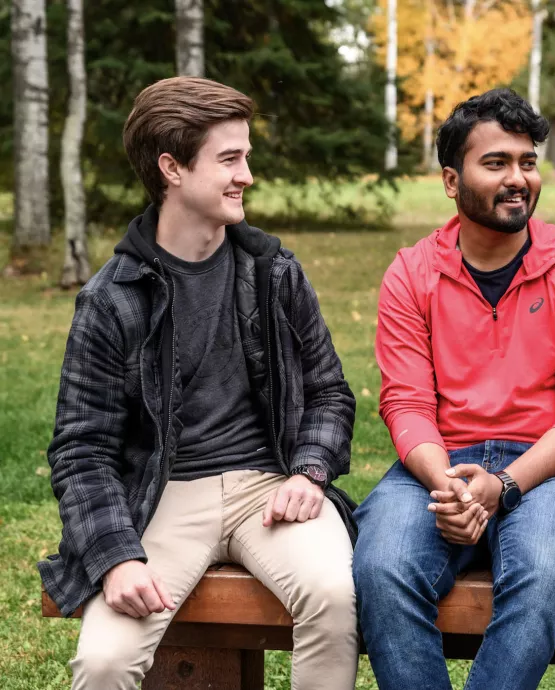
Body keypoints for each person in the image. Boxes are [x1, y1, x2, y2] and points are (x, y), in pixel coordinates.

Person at [39, 77, 360, 690]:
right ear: (172, 168)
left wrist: (309, 469)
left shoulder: (273, 271)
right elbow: (81, 449)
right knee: (104, 661)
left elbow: (329, 392)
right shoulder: (112, 300)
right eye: (230, 159)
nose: (247, 174)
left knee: (334, 597)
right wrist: (115, 557)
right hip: (162, 498)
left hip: (270, 489)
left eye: (247, 156)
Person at [352, 88, 555, 690]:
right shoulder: (412, 273)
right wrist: (447, 485)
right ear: (452, 180)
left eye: (527, 162)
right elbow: (405, 403)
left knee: (547, 573)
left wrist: (501, 488)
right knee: (381, 566)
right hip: (438, 463)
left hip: (551, 469)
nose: (518, 179)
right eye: (496, 162)